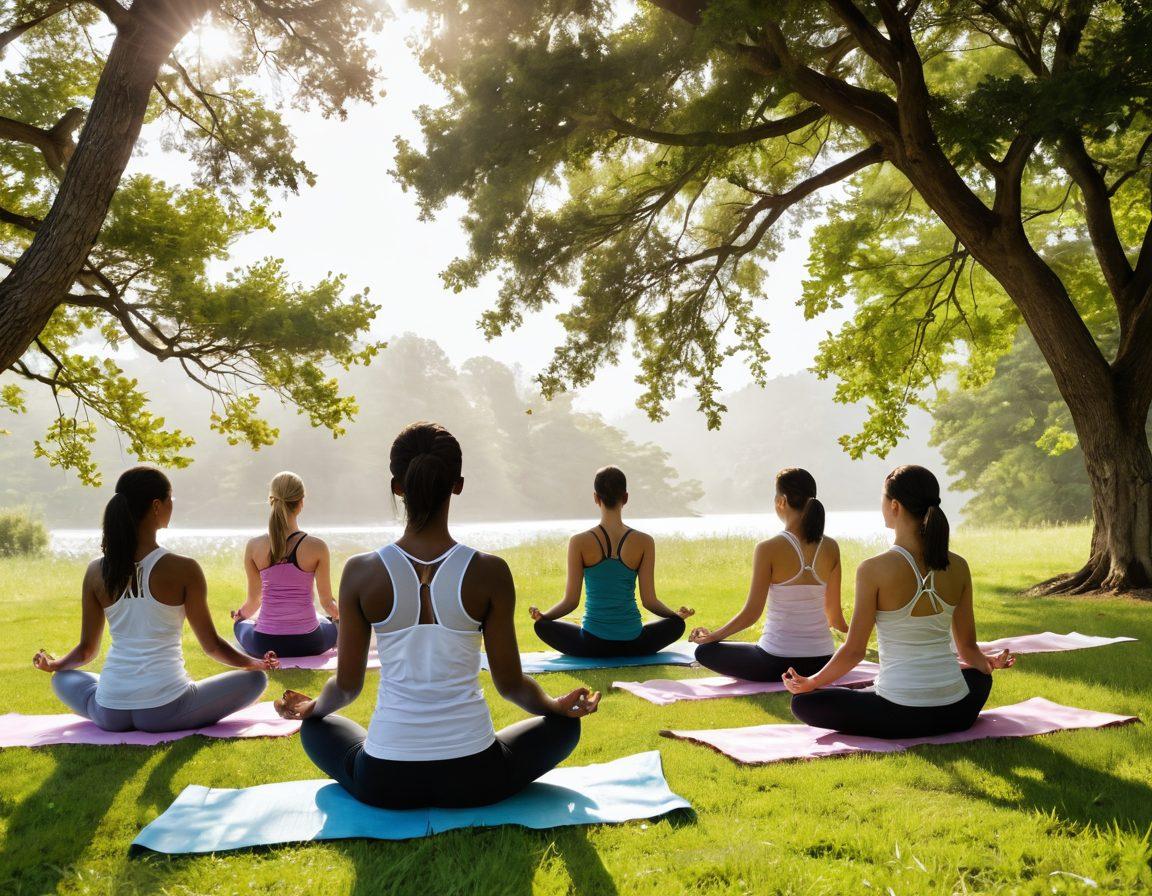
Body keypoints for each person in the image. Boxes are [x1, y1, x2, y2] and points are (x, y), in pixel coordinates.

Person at [274, 422, 599, 809]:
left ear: (397, 486)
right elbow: (511, 685)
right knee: (564, 728)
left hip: (385, 780)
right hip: (475, 776)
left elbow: (346, 688)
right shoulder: (490, 571)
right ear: (457, 484)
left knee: (316, 727)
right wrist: (555, 706)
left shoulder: (360, 571)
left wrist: (311, 710)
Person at [33, 467, 276, 732]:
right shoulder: (184, 569)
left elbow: (86, 651)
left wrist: (56, 665)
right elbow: (212, 646)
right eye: (171, 498)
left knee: (62, 678)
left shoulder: (95, 571)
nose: (173, 504)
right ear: (157, 506)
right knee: (256, 681)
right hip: (167, 710)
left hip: (109, 711)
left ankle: (106, 696)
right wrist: (253, 663)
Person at [783, 465, 1015, 738]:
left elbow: (855, 651)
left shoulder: (873, 569)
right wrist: (987, 663)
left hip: (900, 713)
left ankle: (881, 698)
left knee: (804, 703)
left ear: (894, 505)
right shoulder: (959, 566)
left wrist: (811, 682)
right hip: (957, 711)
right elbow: (967, 648)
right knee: (979, 676)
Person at [689, 468, 848, 681]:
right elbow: (835, 618)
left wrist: (713, 637)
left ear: (781, 501)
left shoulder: (768, 548)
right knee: (745, 648)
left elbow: (752, 613)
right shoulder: (831, 547)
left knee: (704, 652)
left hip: (776, 662)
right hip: (822, 661)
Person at [529, 466, 694, 658]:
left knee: (541, 627)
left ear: (596, 498)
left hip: (591, 644)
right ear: (625, 498)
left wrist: (545, 617)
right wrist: (675, 617)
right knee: (677, 625)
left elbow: (571, 602)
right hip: (634, 643)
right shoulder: (645, 542)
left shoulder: (579, 542)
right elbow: (649, 601)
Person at [232, 472, 339, 658]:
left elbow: (254, 601)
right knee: (334, 624)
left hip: (264, 644)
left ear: (271, 501)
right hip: (310, 642)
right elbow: (327, 603)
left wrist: (239, 616)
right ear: (301, 503)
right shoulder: (317, 547)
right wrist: (340, 617)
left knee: (240, 625)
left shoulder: (254, 546)